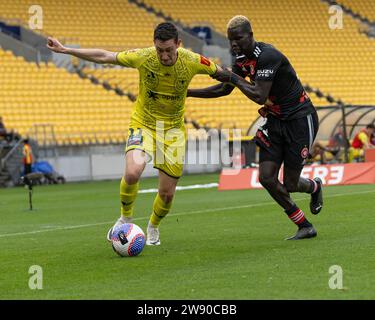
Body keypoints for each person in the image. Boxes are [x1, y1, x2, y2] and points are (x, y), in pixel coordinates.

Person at [47, 22, 223, 245]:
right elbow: (105, 56)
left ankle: (153, 227)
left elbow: (222, 74)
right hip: (144, 124)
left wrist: (247, 83)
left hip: (172, 132)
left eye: (169, 50)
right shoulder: (144, 57)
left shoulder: (192, 60)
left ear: (178, 44)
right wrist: (67, 50)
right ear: (154, 45)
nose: (164, 55)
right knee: (132, 172)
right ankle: (124, 219)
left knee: (167, 194)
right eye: (160, 50)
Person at [187, 15, 323, 240]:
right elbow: (224, 88)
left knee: (290, 183)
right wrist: (188, 93)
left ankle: (314, 187)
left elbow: (259, 96)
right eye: (231, 40)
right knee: (266, 178)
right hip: (276, 122)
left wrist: (233, 77)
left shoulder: (268, 56)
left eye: (238, 39)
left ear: (250, 35)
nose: (233, 44)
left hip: (300, 119)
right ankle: (304, 226)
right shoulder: (242, 59)